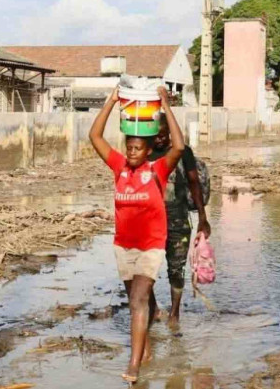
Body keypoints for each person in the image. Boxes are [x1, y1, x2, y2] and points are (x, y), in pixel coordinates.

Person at [89, 85, 185, 385]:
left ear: (147, 151)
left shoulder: (157, 169)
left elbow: (179, 147)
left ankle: (134, 364)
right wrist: (111, 101)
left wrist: (166, 106)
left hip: (150, 247)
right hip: (124, 247)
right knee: (136, 300)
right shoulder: (118, 167)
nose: (131, 152)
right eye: (128, 148)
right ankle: (145, 350)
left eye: (137, 149)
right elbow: (94, 137)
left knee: (137, 301)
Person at [148, 112, 211, 328]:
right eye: (156, 136)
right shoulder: (143, 152)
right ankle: (153, 308)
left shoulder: (183, 153)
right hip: (148, 223)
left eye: (164, 135)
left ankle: (174, 313)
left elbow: (194, 183)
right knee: (147, 269)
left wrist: (202, 217)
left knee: (176, 268)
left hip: (177, 219)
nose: (160, 140)